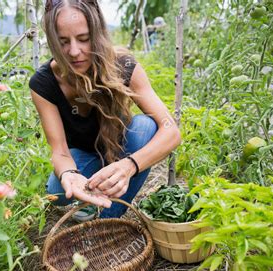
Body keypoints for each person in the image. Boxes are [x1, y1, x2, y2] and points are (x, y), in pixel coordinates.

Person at [29, 0, 181, 220]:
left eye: (83, 39)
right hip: (84, 157)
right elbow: (60, 151)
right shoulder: (44, 84)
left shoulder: (123, 66)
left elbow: (171, 132)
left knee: (145, 127)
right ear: (52, 41)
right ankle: (90, 193)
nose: (74, 51)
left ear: (98, 34)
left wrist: (129, 166)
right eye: (63, 42)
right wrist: (70, 174)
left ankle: (109, 219)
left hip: (122, 149)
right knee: (58, 191)